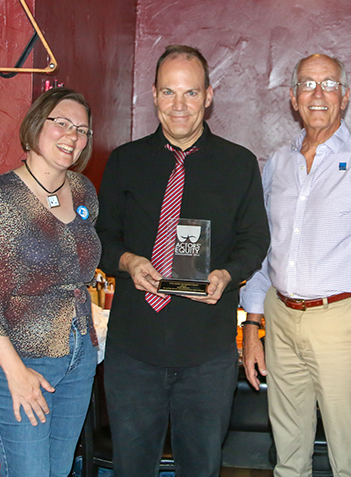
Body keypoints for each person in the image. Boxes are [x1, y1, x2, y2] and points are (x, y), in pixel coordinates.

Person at [96, 44, 269, 477]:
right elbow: (100, 236)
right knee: (132, 469)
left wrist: (228, 274)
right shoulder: (124, 161)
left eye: (190, 93)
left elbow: (255, 239)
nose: (179, 105)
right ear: (153, 95)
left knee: (201, 469)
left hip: (206, 354)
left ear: (208, 96)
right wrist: (131, 261)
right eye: (169, 92)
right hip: (134, 351)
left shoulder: (239, 165)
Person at [240, 53, 351, 477]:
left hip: (343, 322)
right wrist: (252, 329)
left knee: (348, 456)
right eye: (307, 84)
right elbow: (262, 250)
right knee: (288, 457)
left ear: (344, 97)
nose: (317, 94)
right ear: (293, 98)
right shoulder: (277, 164)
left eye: (328, 84)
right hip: (280, 316)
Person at [0, 88, 101, 477]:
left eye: (82, 130)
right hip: (21, 359)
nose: (72, 136)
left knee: (57, 472)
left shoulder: (82, 190)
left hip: (77, 356)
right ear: (36, 125)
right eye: (62, 123)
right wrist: (16, 372)